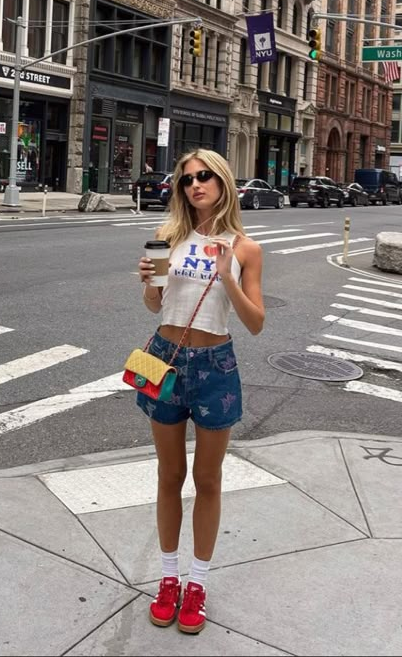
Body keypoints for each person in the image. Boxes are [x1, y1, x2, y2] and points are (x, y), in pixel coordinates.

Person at [137, 149, 265, 635]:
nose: (195, 184)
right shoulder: (168, 238)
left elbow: (255, 323)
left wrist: (228, 273)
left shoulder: (246, 248)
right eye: (187, 179)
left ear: (223, 182)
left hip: (215, 366)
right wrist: (149, 283)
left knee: (207, 480)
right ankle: (167, 580)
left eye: (204, 176)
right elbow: (156, 307)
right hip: (165, 359)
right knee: (169, 475)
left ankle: (197, 584)